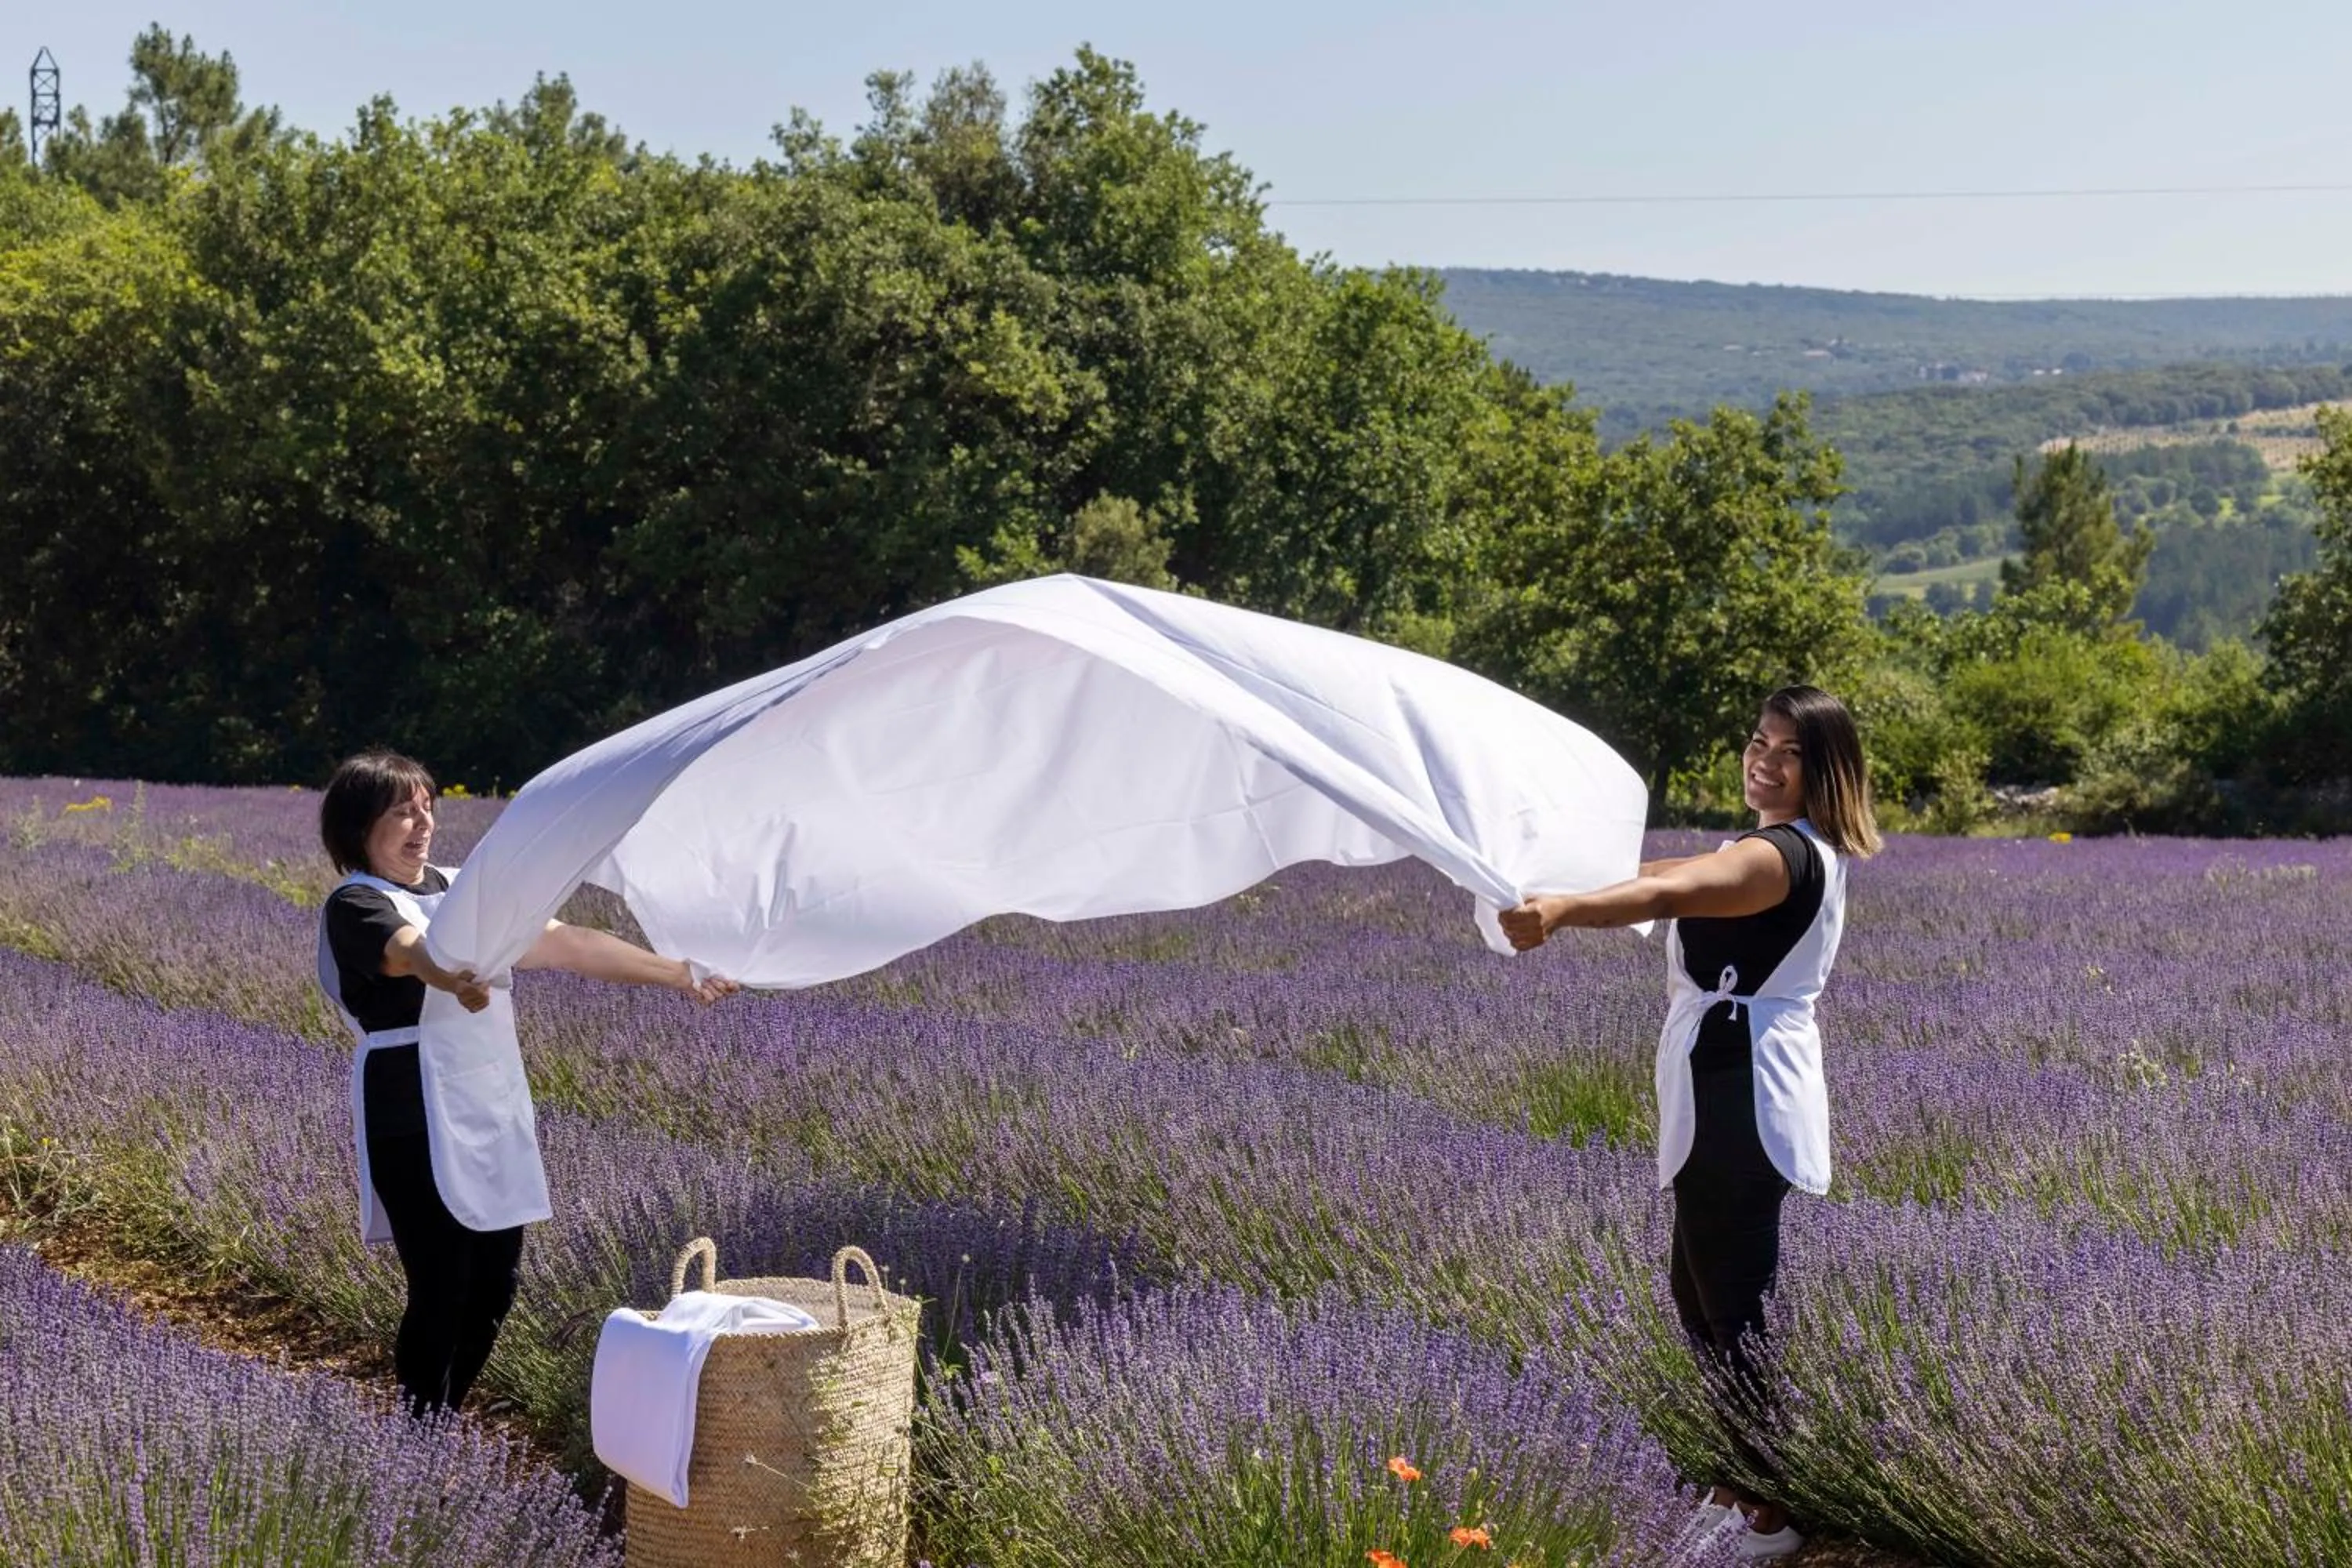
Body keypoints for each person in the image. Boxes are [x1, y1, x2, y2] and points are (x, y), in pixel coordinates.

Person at [1499, 686, 1880, 1563]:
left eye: (1789, 752)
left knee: (1736, 1305)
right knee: (1698, 1297)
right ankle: (1737, 1482)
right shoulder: (1766, 845)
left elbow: (1673, 889)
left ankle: (1773, 1512)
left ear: (1824, 771)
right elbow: (1661, 871)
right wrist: (1553, 878)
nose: (1764, 761)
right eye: (1758, 742)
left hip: (1742, 1093)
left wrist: (1561, 912)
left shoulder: (1780, 857)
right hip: (1719, 1082)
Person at [316, 750, 739, 1417]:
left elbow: (569, 944)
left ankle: (437, 1419)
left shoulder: (465, 890)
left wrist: (681, 973)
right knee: (441, 1283)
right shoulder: (357, 903)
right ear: (360, 827)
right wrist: (448, 976)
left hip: (489, 1101)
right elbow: (406, 951)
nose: (422, 824)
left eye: (426, 808)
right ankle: (417, 1434)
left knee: (495, 1284)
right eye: (402, 812)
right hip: (411, 1108)